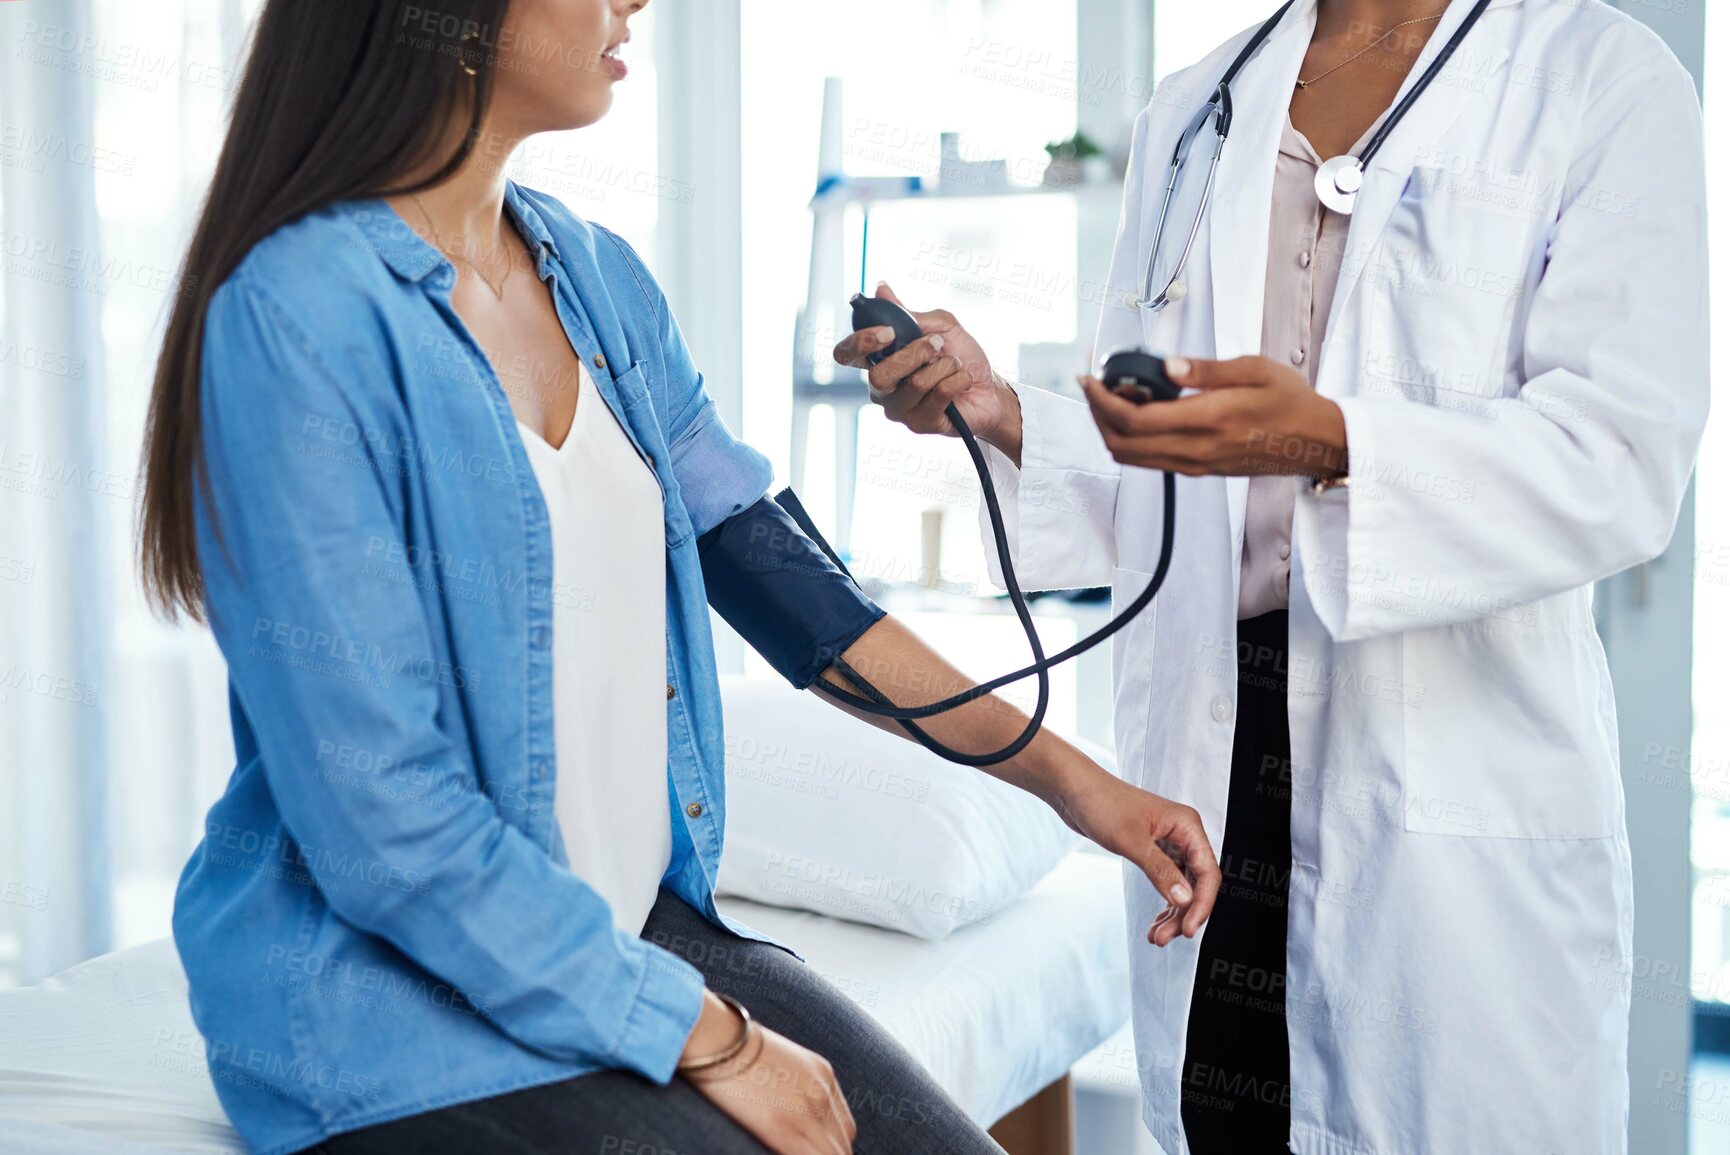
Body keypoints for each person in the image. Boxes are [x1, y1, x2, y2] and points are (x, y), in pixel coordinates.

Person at [135, 2, 1222, 1154]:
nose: (635, 2)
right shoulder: (297, 315)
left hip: (621, 932)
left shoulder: (594, 276)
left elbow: (790, 592)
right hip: (390, 1002)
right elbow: (381, 824)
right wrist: (719, 1041)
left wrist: (1073, 783)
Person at [836, 0, 1710, 1152]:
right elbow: (1158, 483)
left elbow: (1618, 461)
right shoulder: (1193, 106)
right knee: (1227, 1112)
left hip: (1445, 758)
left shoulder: (1594, 75)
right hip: (1215, 743)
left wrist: (1333, 442)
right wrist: (997, 415)